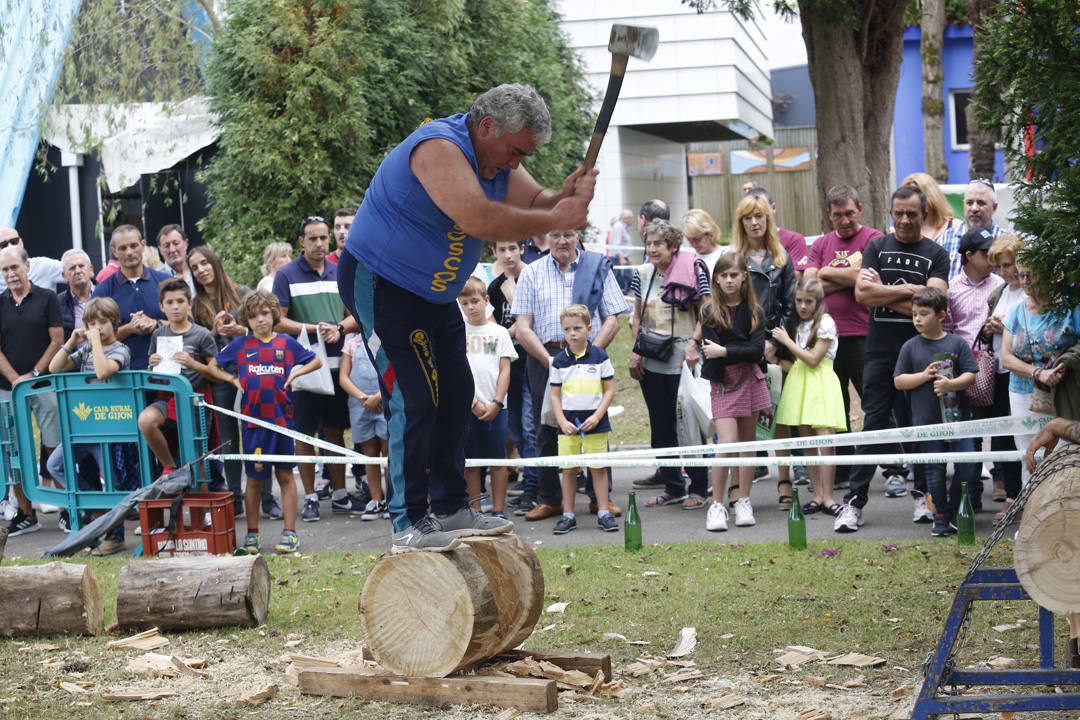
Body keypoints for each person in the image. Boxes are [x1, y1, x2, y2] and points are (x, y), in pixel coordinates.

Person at [338, 83, 594, 553]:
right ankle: (408, 520)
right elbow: (480, 218)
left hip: (435, 295)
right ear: (487, 126)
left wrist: (564, 199)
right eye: (515, 151)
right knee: (414, 398)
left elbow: (537, 201)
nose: (517, 163)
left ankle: (452, 503)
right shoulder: (439, 148)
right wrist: (556, 213)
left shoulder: (496, 159)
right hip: (383, 284)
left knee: (455, 390)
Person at [836, 185, 950, 533]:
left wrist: (885, 293)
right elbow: (861, 292)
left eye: (911, 214)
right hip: (879, 351)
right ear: (890, 213)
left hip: (920, 352)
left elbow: (936, 302)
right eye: (898, 213)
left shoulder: (936, 254)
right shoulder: (876, 247)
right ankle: (854, 502)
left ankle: (922, 496)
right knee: (871, 425)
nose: (904, 220)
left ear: (923, 213)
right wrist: (912, 295)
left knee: (917, 424)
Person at [511, 227, 627, 522]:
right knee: (547, 428)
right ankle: (550, 499)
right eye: (555, 234)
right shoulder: (532, 273)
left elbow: (612, 318)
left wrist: (588, 357)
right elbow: (523, 327)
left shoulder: (597, 265)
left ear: (578, 236)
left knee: (595, 424)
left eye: (569, 234)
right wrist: (553, 361)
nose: (562, 241)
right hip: (545, 358)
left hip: (592, 360)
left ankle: (600, 499)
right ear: (544, 237)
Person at [209, 290, 322, 555]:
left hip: (282, 423)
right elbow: (214, 366)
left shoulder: (286, 343)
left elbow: (315, 360)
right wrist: (232, 380)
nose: (260, 319)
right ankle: (252, 534)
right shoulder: (240, 345)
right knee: (255, 479)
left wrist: (296, 372)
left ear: (273, 314)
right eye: (253, 316)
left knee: (285, 475)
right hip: (253, 426)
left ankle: (290, 533)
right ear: (246, 320)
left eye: (264, 314)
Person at [275, 214, 360, 523]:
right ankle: (310, 495)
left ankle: (339, 493)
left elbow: (355, 315)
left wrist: (338, 327)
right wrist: (314, 328)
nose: (320, 243)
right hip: (304, 366)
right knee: (305, 433)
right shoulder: (286, 275)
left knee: (335, 432)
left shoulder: (342, 271)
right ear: (301, 242)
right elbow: (278, 320)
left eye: (324, 237)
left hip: (338, 366)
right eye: (313, 238)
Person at [805, 184, 884, 492]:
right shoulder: (822, 243)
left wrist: (827, 272)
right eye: (838, 215)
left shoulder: (874, 239)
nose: (845, 220)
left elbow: (868, 280)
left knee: (874, 404)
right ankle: (844, 469)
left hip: (865, 335)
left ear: (860, 210)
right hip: (828, 341)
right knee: (835, 409)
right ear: (829, 215)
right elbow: (810, 288)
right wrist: (848, 277)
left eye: (850, 213)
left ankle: (890, 466)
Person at [629, 219, 710, 509]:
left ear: (673, 247)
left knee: (689, 425)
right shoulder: (642, 273)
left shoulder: (694, 269)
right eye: (648, 243)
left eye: (657, 244)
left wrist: (694, 343)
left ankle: (699, 487)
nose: (651, 249)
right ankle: (673, 486)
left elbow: (708, 311)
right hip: (651, 360)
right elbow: (636, 315)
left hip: (684, 361)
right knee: (660, 426)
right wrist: (635, 350)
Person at [188, 245, 273, 518]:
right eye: (195, 267)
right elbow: (200, 348)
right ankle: (234, 498)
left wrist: (242, 330)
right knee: (228, 441)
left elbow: (266, 329)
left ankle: (267, 499)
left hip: (254, 373)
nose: (201, 270)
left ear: (215, 263)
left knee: (259, 435)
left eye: (204, 263)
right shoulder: (195, 305)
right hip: (222, 377)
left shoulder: (243, 292)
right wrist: (212, 335)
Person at [45, 297, 131, 552]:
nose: (97, 328)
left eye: (103, 322)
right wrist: (71, 342)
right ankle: (100, 513)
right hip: (83, 426)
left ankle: (115, 536)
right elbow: (54, 368)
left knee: (112, 481)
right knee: (55, 465)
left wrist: (94, 341)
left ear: (114, 323)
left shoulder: (120, 350)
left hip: (109, 426)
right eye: (91, 323)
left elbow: (104, 371)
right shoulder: (84, 350)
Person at [893, 287, 979, 537]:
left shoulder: (956, 343)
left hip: (959, 420)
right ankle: (940, 515)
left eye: (924, 314)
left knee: (969, 464)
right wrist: (924, 376)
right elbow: (898, 381)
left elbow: (971, 375)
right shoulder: (910, 346)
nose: (917, 319)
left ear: (941, 316)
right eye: (914, 314)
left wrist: (951, 384)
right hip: (927, 420)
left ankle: (956, 508)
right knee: (934, 469)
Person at [730, 192, 796, 502]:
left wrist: (774, 342)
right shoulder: (733, 258)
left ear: (767, 219)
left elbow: (790, 304)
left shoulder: (781, 257)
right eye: (748, 217)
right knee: (741, 418)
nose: (754, 222)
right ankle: (737, 486)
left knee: (776, 416)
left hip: (774, 348)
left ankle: (785, 480)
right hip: (741, 348)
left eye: (759, 216)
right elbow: (726, 304)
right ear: (740, 223)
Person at [696, 253, 768, 531]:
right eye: (724, 275)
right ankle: (716, 506)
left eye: (734, 275)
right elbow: (710, 353)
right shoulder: (709, 312)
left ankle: (744, 501)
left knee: (747, 446)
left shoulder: (755, 312)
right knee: (726, 445)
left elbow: (757, 351)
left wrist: (726, 350)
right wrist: (735, 352)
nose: (729, 280)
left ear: (744, 277)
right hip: (723, 382)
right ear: (716, 278)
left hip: (751, 380)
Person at [0, 245, 62, 537]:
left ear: (27, 267)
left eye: (14, 267)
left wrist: (34, 374)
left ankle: (67, 510)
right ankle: (26, 514)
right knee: (14, 450)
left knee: (55, 443)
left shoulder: (47, 298)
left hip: (42, 382)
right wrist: (15, 378)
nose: (10, 274)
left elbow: (57, 339)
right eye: (5, 270)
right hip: (7, 388)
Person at [770, 278, 846, 516]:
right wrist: (775, 357)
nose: (803, 306)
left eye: (808, 302)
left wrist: (786, 342)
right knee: (806, 440)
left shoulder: (825, 323)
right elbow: (796, 362)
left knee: (825, 439)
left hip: (819, 380)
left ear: (819, 302)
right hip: (798, 380)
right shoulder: (798, 323)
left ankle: (830, 496)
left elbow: (813, 359)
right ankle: (817, 494)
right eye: (799, 301)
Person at [1000, 259, 1080, 485]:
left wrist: (1067, 362)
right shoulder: (1015, 310)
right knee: (1029, 454)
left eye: (1031, 275)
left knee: (1062, 453)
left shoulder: (1070, 307)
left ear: (1050, 276)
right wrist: (1038, 373)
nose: (1025, 281)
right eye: (1021, 275)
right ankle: (1029, 510)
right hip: (1022, 390)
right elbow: (1006, 358)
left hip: (1063, 391)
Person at [138, 278, 221, 474]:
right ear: (161, 306)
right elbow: (152, 376)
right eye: (169, 302)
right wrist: (151, 366)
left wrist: (193, 364)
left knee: (196, 460)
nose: (175, 307)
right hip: (167, 399)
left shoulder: (202, 335)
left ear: (189, 303)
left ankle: (199, 504)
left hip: (195, 399)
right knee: (145, 421)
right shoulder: (158, 335)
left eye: (180, 301)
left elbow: (218, 375)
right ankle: (169, 467)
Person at [549, 304, 617, 534]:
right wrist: (561, 421)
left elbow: (609, 390)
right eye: (567, 329)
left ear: (589, 328)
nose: (572, 333)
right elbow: (555, 395)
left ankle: (604, 512)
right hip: (568, 425)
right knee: (569, 470)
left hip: (595, 423)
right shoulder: (558, 361)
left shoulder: (600, 357)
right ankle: (568, 515)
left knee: (598, 469)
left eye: (577, 328)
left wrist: (598, 416)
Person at [458, 277, 517, 517]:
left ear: (486, 300)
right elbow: (457, 371)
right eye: (464, 303)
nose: (471, 307)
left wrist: (497, 402)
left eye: (475, 301)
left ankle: (499, 510)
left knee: (498, 460)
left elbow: (505, 370)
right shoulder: (457, 332)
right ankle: (476, 509)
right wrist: (473, 403)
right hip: (467, 408)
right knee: (471, 463)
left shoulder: (499, 332)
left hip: (496, 407)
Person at [980, 234, 1026, 515]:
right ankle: (1011, 495)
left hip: (1021, 371)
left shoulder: (1031, 289)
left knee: (1026, 436)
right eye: (999, 267)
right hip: (998, 370)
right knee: (1003, 436)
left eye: (1009, 264)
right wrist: (989, 329)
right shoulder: (999, 293)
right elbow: (988, 335)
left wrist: (1006, 329)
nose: (1006, 272)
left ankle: (1029, 493)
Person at [487, 238, 535, 504]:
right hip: (507, 366)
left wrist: (514, 300)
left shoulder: (532, 277)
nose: (508, 255)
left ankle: (534, 488)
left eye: (512, 249)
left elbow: (530, 321)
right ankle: (530, 486)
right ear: (494, 252)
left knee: (530, 427)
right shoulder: (494, 287)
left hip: (531, 362)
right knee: (515, 427)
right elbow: (492, 328)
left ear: (521, 249)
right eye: (502, 250)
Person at [90, 225, 170, 371]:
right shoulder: (103, 290)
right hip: (124, 377)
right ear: (114, 251)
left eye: (134, 246)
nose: (129, 252)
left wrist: (155, 324)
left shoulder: (165, 282)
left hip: (167, 373)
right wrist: (129, 328)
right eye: (123, 248)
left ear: (143, 245)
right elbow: (93, 337)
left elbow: (188, 323)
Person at [339, 329, 389, 520]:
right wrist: (363, 398)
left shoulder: (386, 337)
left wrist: (378, 397)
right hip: (360, 404)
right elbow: (344, 377)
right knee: (369, 452)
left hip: (385, 400)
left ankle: (394, 499)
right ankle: (377, 499)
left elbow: (394, 370)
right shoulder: (352, 343)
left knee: (388, 452)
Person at [939, 179, 1007, 279]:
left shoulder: (1005, 241)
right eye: (969, 203)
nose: (974, 208)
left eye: (981, 203)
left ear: (994, 207)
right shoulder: (946, 238)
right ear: (963, 204)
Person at [747, 187, 809, 281]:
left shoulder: (794, 239)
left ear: (773, 208)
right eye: (749, 215)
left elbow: (794, 279)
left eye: (761, 212)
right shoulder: (742, 244)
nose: (754, 221)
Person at [0, 227, 63, 293]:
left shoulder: (43, 266)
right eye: (4, 245)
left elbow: (71, 271)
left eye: (14, 241)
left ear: (21, 242)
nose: (10, 247)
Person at [901, 172, 959, 243]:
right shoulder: (900, 233)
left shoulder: (957, 228)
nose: (911, 202)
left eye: (917, 196)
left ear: (932, 197)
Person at [58, 249, 95, 339]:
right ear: (64, 276)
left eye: (81, 266)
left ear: (91, 270)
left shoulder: (106, 294)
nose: (77, 271)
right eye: (72, 268)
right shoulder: (57, 304)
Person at [682, 208, 724, 276]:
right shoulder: (687, 256)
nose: (693, 244)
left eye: (697, 239)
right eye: (689, 239)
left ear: (709, 233)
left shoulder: (725, 254)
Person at [156, 224, 195, 292]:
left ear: (186, 244)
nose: (172, 250)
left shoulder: (200, 270)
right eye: (167, 246)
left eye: (176, 243)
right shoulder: (156, 278)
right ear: (160, 250)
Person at [609, 209, 634, 293]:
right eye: (631, 218)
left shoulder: (623, 227)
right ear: (625, 218)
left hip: (623, 258)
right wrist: (621, 258)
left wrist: (628, 257)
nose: (633, 220)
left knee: (628, 280)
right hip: (617, 259)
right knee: (622, 281)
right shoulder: (618, 226)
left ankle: (624, 298)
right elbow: (616, 244)